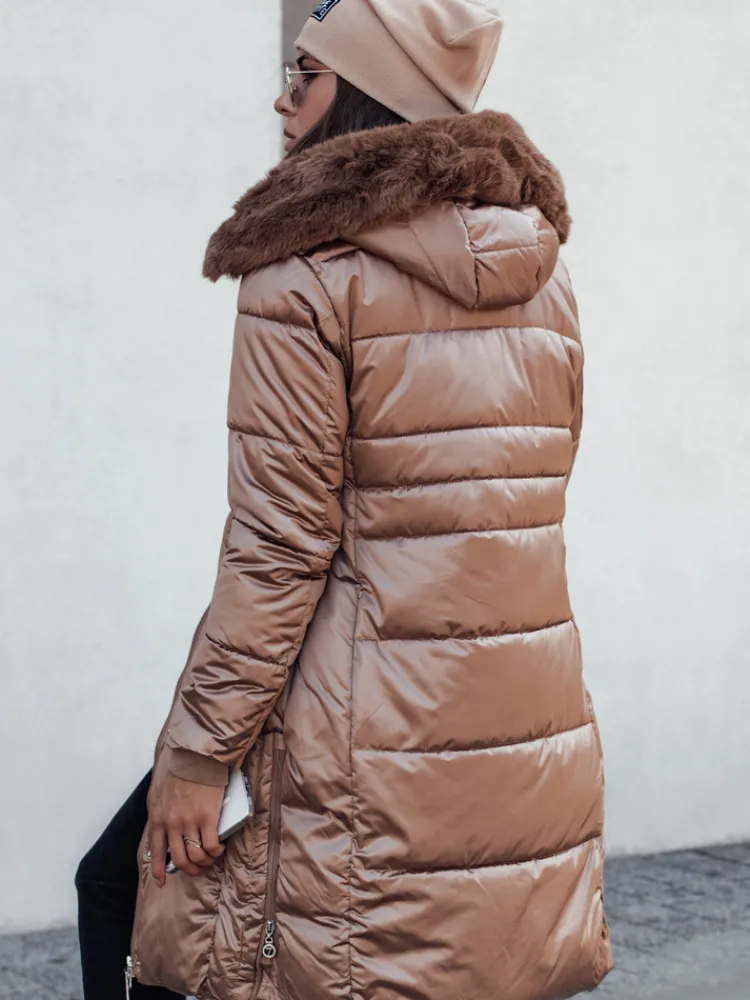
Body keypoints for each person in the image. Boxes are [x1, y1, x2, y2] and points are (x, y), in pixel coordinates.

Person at [75, 1, 612, 998]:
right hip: (520, 728)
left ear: (367, 95)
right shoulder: (544, 273)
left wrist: (197, 754)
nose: (282, 103)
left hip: (352, 726)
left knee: (123, 895)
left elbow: (281, 548)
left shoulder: (304, 271)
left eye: (306, 76)